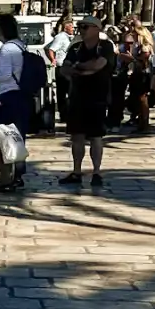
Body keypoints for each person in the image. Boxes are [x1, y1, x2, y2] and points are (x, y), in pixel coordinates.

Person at [59, 17, 116, 187]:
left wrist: (77, 68)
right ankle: (77, 171)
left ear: (96, 29)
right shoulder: (75, 48)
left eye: (84, 27)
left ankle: (96, 172)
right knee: (77, 136)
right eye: (79, 27)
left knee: (96, 136)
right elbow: (64, 69)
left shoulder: (105, 47)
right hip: (77, 97)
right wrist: (83, 68)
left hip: (98, 97)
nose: (81, 30)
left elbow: (99, 64)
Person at [0, 14, 31, 137]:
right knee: (18, 134)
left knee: (7, 135)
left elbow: (5, 75)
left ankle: (9, 157)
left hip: (7, 95)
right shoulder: (20, 45)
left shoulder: (7, 48)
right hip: (21, 93)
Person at [126, 18, 155, 133]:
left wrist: (132, 58)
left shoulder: (145, 45)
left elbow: (145, 56)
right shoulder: (140, 44)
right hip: (140, 73)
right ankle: (142, 122)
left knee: (143, 99)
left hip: (142, 73)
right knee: (141, 99)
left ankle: (144, 123)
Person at [45, 16, 74, 121]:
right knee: (62, 93)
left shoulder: (70, 37)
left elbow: (47, 46)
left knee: (70, 92)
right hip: (62, 67)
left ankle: (69, 113)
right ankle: (64, 115)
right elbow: (50, 49)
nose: (73, 28)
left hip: (70, 68)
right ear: (66, 27)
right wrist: (53, 60)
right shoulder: (61, 37)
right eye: (71, 27)